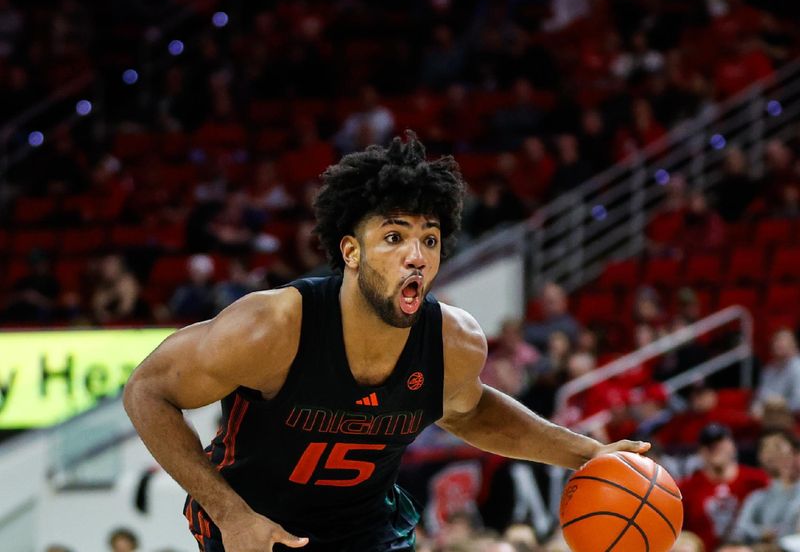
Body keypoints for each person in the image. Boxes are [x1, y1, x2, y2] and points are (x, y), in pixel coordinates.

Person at [124, 134, 648, 552]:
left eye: (430, 239)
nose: (417, 255)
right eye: (395, 238)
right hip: (251, 522)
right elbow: (147, 391)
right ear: (351, 251)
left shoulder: (454, 342)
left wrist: (589, 453)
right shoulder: (275, 325)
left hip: (366, 530)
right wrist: (230, 514)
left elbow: (468, 411)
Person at [678, 422, 769, 551]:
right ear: (700, 451)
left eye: (720, 443)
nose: (715, 449)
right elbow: (679, 531)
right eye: (709, 445)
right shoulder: (686, 488)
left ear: (732, 446)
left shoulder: (757, 480)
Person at [730, 430, 800, 545]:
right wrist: (761, 533)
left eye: (777, 447)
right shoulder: (757, 496)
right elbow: (740, 529)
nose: (770, 453)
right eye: (765, 448)